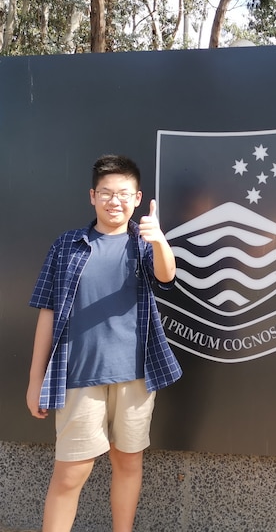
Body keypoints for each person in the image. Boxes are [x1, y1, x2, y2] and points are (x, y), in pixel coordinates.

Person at [26, 154, 182, 532]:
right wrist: (35, 383)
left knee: (128, 462)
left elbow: (167, 275)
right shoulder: (67, 246)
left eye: (124, 194)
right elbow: (46, 313)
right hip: (79, 374)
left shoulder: (144, 243)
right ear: (92, 196)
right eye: (107, 193)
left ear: (138, 197)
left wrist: (159, 239)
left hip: (136, 376)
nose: (116, 201)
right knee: (70, 473)